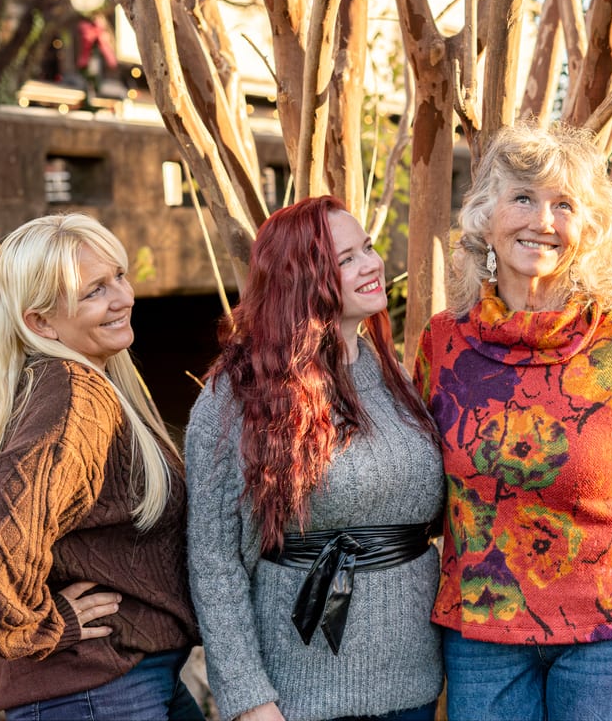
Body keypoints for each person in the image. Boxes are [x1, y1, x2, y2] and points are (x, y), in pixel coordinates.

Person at [413, 121, 612, 721]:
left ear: (589, 229)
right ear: (486, 217)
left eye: (564, 205)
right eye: (523, 198)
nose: (542, 222)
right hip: (483, 629)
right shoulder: (442, 343)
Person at [184, 196, 444, 721]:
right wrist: (249, 702)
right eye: (345, 258)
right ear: (300, 278)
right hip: (299, 696)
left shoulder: (395, 378)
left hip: (415, 683)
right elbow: (214, 564)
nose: (372, 265)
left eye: (367, 248)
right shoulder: (236, 396)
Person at [0, 213, 202, 720]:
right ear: (40, 322)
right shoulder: (73, 394)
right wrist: (44, 622)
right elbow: (3, 547)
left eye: (119, 275)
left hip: (124, 680)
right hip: (94, 691)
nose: (122, 297)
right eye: (94, 291)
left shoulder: (86, 383)